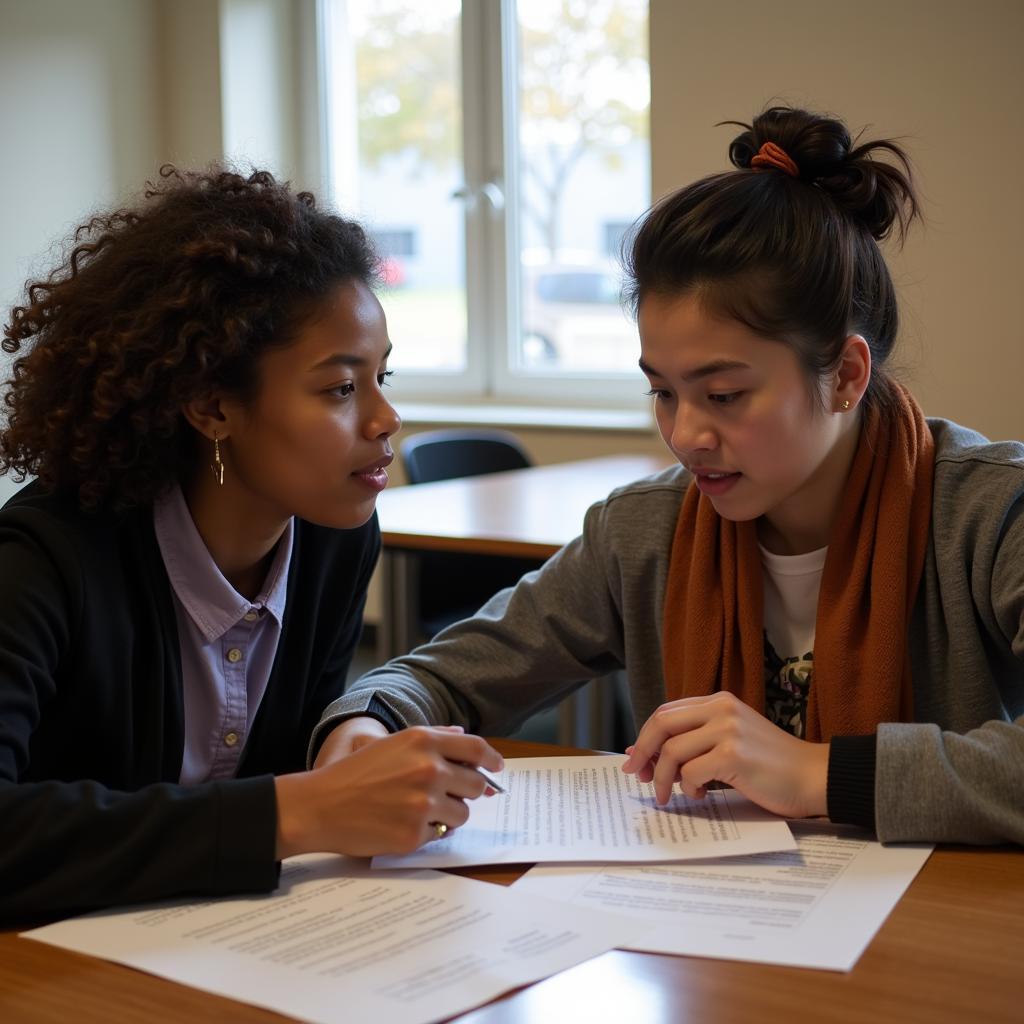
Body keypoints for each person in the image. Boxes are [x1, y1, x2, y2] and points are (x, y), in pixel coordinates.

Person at [312, 106, 1024, 845]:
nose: (686, 436)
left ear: (845, 375)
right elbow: (446, 674)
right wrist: (367, 724)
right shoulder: (644, 532)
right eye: (662, 391)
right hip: (708, 938)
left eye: (724, 396)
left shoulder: (988, 512)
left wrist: (817, 772)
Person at [0, 166, 502, 923]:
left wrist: (346, 757)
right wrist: (292, 812)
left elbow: (287, 778)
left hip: (228, 947)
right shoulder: (40, 562)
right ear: (211, 407)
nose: (386, 419)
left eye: (381, 376)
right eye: (340, 389)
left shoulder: (335, 540)